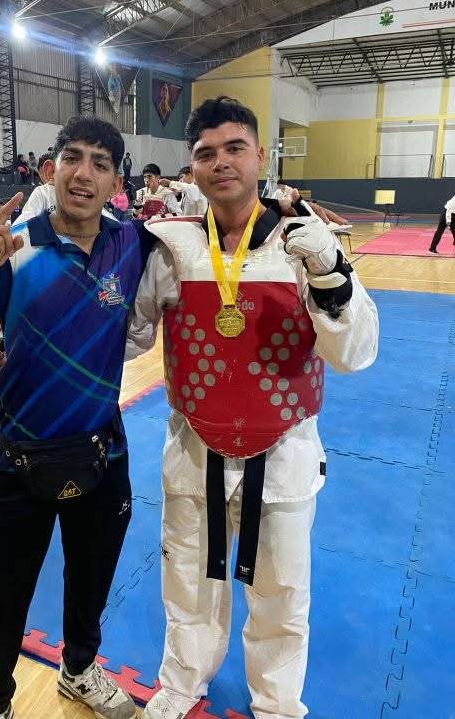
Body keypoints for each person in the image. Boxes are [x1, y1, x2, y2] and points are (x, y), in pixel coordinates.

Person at [126, 97, 379, 719]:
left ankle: (277, 703)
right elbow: (129, 334)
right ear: (192, 167)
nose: (221, 163)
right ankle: (182, 681)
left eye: (234, 148)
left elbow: (356, 353)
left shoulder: (304, 241)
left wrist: (330, 270)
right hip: (194, 446)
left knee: (282, 592)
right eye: (205, 153)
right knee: (187, 580)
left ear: (260, 156)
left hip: (285, 448)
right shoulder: (172, 247)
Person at [0, 115, 159, 719]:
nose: (84, 173)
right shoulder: (15, 249)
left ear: (116, 182)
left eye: (101, 163)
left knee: (91, 585)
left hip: (102, 453)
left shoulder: (133, 244)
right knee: (3, 603)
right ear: (52, 168)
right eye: (72, 158)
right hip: (14, 460)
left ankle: (77, 671)